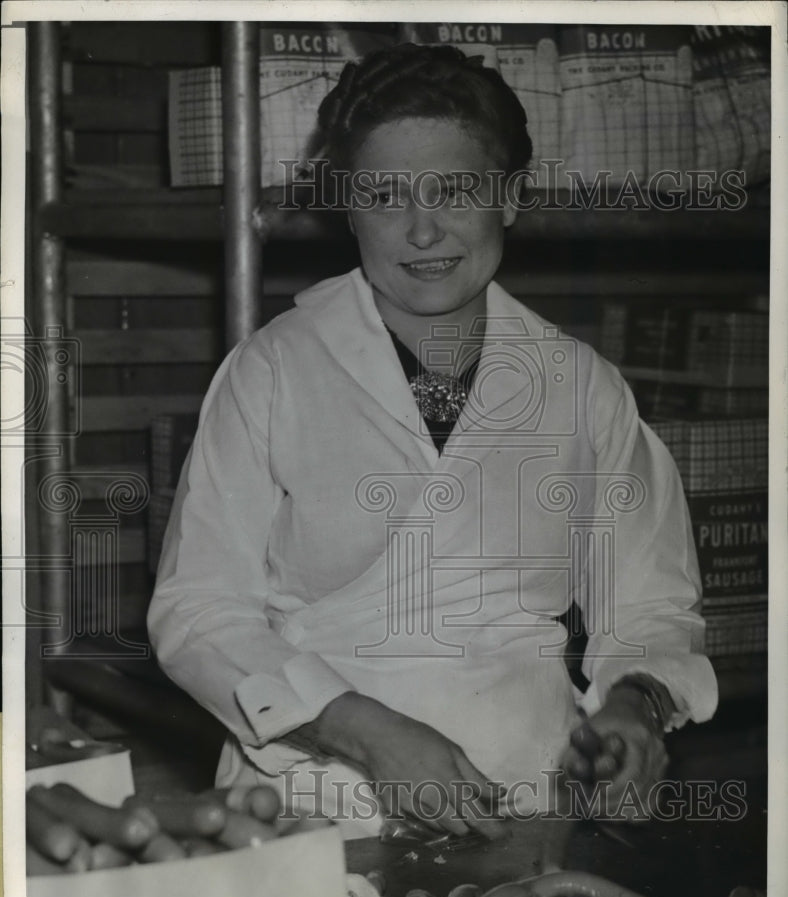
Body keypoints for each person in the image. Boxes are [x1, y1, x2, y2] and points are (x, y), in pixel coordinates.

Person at [148, 44, 718, 841]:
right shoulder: (273, 369)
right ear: (348, 208)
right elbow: (196, 610)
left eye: (454, 190)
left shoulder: (581, 384)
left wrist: (635, 706)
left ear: (511, 197)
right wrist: (367, 732)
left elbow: (653, 606)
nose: (422, 229)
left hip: (522, 811)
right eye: (384, 195)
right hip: (315, 808)